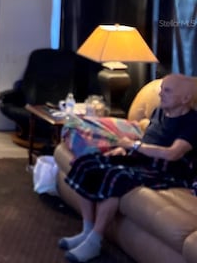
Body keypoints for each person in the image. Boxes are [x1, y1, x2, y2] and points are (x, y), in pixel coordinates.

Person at [59, 73, 197, 262]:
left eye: (168, 90)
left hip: (168, 169)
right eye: (161, 89)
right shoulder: (159, 111)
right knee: (87, 163)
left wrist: (134, 147)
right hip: (141, 158)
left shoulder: (192, 122)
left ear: (186, 98)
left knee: (116, 177)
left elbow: (173, 153)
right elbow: (148, 139)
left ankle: (95, 242)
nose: (161, 94)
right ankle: (87, 231)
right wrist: (125, 150)